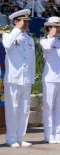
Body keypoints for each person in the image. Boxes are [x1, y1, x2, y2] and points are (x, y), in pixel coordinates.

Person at [3, 9, 34, 147]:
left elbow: (31, 61)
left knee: (24, 109)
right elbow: (8, 45)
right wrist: (16, 29)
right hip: (13, 78)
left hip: (26, 79)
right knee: (13, 108)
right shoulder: (7, 35)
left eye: (27, 21)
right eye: (24, 21)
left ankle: (21, 137)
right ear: (16, 21)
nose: (26, 24)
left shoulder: (29, 39)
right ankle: (11, 137)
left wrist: (31, 78)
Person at [40, 16, 60, 144]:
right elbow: (47, 48)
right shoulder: (44, 41)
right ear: (49, 28)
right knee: (49, 107)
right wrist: (51, 35)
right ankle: (48, 135)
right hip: (50, 79)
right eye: (56, 27)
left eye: (59, 27)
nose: (58, 29)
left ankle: (57, 134)